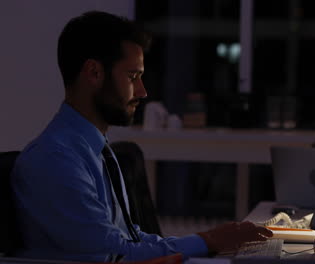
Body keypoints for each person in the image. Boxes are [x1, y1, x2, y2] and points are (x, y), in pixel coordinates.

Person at [11, 11, 272, 262]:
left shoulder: (94, 149)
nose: (143, 91)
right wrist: (208, 240)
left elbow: (128, 240)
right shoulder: (56, 160)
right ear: (94, 73)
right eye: (132, 76)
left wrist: (210, 241)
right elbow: (117, 256)